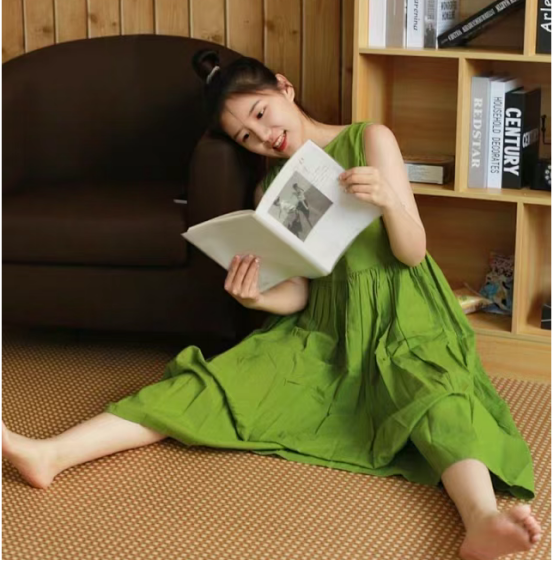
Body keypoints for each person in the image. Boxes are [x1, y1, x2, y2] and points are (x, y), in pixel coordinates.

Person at [2, 49, 542, 561]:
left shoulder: (370, 140)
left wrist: (387, 201)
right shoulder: (272, 195)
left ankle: (481, 520)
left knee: (439, 396)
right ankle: (52, 454)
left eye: (262, 114)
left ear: (285, 87)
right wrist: (259, 295)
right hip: (326, 328)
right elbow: (303, 289)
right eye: (247, 136)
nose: (264, 137)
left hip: (404, 314)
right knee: (211, 382)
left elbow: (413, 251)